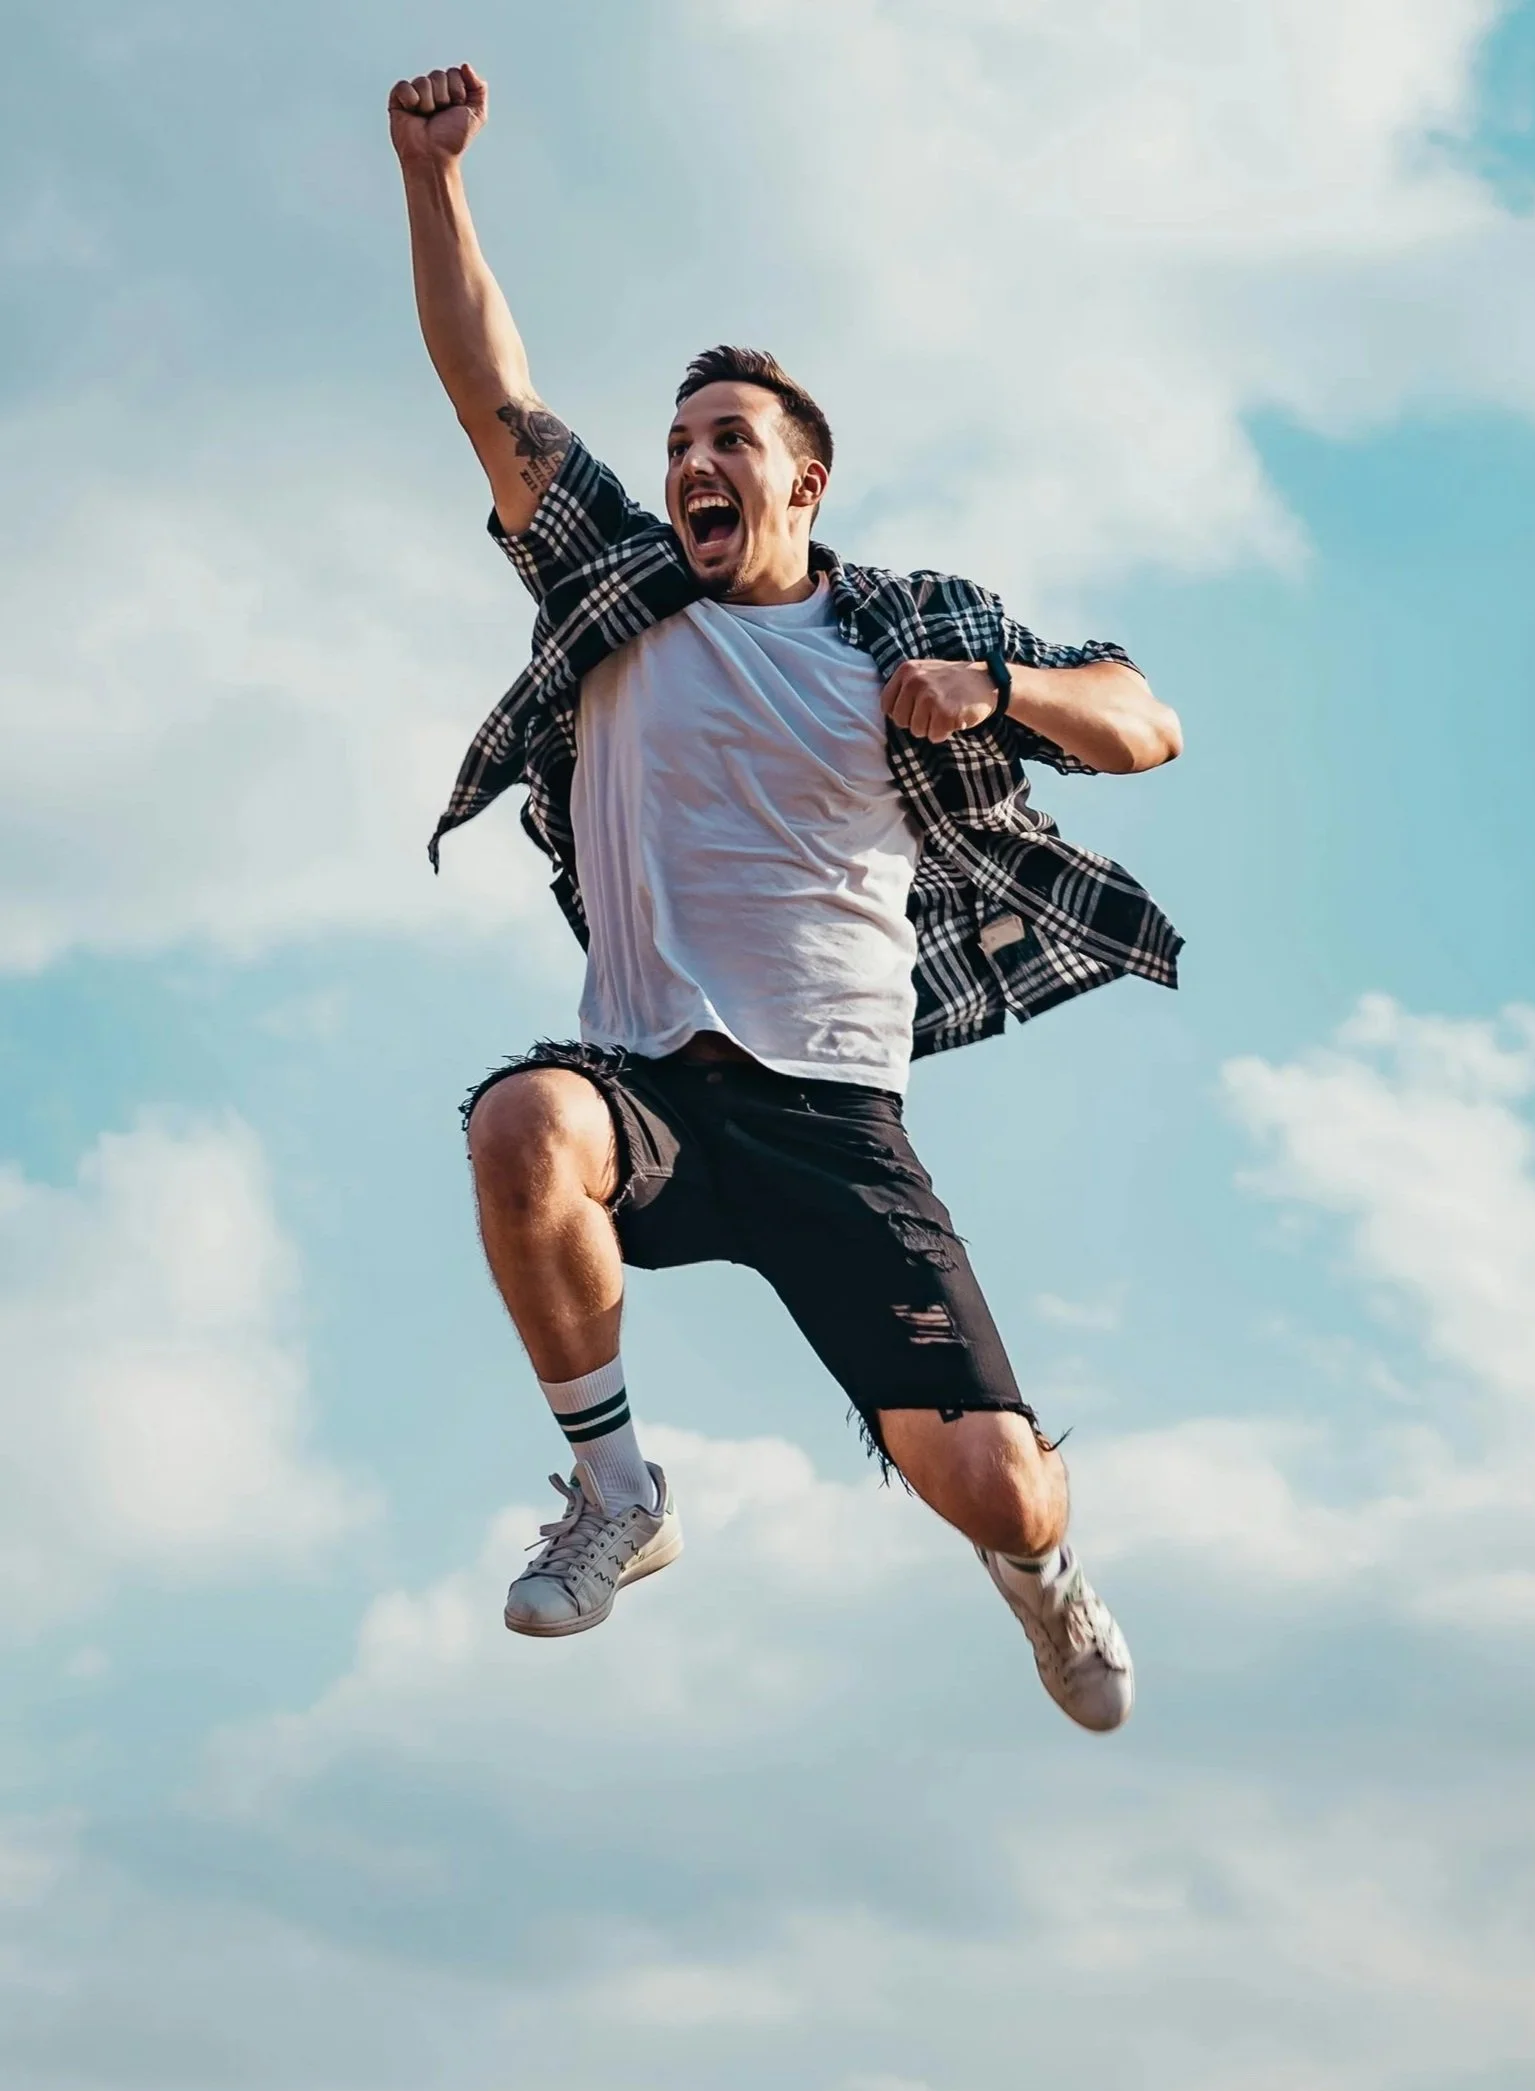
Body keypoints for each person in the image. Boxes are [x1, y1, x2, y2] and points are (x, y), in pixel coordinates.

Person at [391, 63, 1184, 1735]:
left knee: (1002, 1487)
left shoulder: (899, 623)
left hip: (838, 1123)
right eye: (679, 440)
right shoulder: (616, 581)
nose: (691, 461)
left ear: (803, 485)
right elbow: (489, 391)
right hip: (651, 1089)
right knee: (522, 1125)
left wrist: (996, 687)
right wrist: (434, 178)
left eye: (727, 441)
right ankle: (619, 1494)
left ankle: (1038, 1578)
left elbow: (1143, 719)